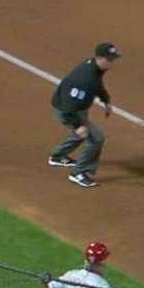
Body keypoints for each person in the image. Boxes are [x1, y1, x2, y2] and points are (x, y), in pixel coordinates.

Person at [49, 43, 121, 188]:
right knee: (96, 138)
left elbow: (98, 85)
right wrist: (77, 125)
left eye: (113, 59)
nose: (111, 62)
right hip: (67, 110)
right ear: (99, 58)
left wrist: (106, 100)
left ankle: (58, 156)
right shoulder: (85, 79)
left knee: (82, 133)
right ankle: (78, 173)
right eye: (109, 59)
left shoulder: (94, 67)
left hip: (74, 107)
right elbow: (68, 106)